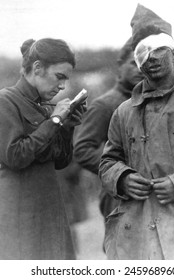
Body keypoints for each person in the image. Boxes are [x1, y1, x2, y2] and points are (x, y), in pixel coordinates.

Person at [99, 3, 174, 260]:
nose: (153, 58)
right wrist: (121, 178)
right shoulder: (123, 112)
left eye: (160, 49)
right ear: (137, 62)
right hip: (136, 235)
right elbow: (107, 161)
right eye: (143, 52)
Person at [0, 38, 86, 259]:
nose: (63, 86)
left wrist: (66, 127)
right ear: (37, 67)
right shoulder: (5, 101)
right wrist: (54, 121)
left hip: (49, 211)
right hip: (20, 215)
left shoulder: (45, 108)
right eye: (59, 77)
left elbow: (61, 161)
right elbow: (15, 156)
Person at [74, 37, 143, 221]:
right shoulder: (105, 105)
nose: (139, 69)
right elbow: (82, 150)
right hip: (120, 196)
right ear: (119, 66)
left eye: (143, 63)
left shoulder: (154, 102)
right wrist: (121, 175)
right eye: (133, 63)